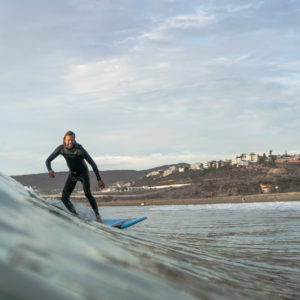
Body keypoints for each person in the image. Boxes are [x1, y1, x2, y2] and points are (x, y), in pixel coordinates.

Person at [45, 131, 105, 222]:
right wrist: (50, 170)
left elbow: (92, 163)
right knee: (64, 198)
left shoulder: (80, 150)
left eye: (72, 140)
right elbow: (48, 160)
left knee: (87, 193)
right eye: (69, 140)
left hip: (83, 173)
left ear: (74, 140)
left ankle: (97, 215)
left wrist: (99, 179)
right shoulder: (61, 149)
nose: (70, 142)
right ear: (64, 140)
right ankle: (76, 216)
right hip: (72, 174)